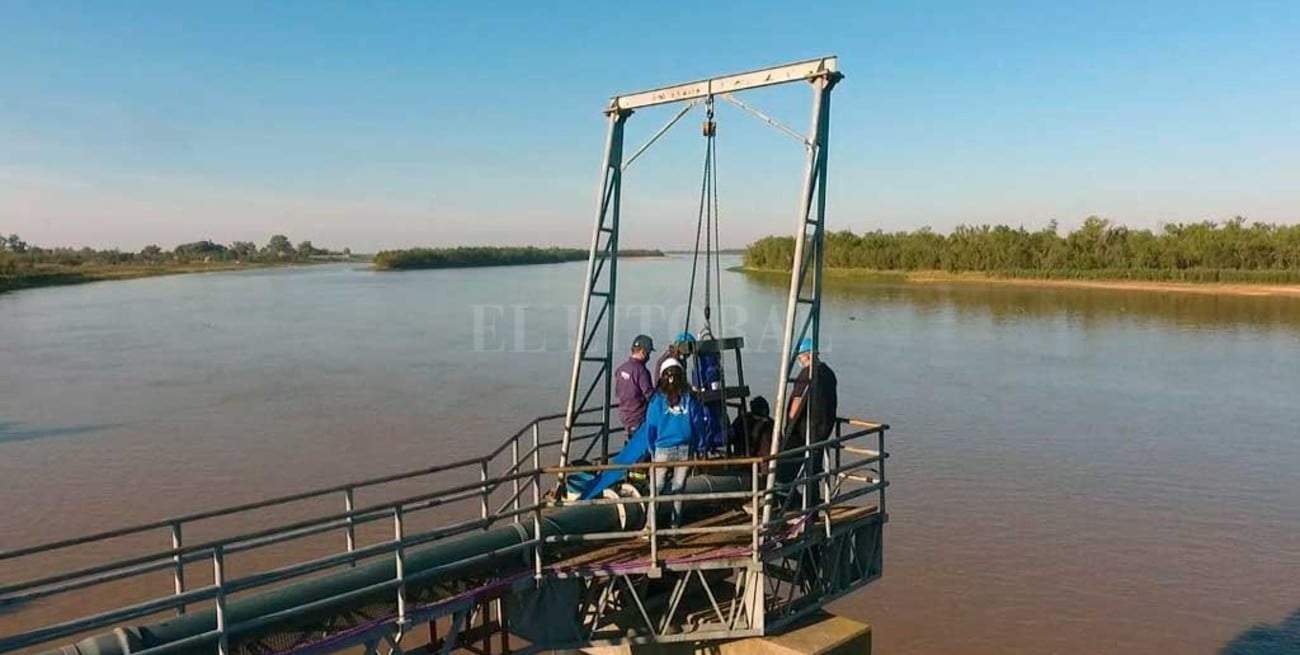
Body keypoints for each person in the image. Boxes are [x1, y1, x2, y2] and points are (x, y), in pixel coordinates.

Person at [641, 357, 707, 528]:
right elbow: (698, 424)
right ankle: (674, 525)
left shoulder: (657, 401)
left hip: (662, 449)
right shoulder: (689, 399)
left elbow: (651, 427)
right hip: (685, 449)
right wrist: (701, 447)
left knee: (657, 488)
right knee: (679, 488)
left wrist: (652, 448)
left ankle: (650, 526)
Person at [777, 337, 838, 509]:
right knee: (814, 471)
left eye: (800, 358)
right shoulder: (829, 373)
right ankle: (812, 509)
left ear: (808, 356)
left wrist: (788, 427)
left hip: (805, 432)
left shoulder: (807, 374)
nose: (799, 361)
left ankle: (787, 506)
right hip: (823, 430)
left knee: (785, 470)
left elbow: (795, 405)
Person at [614, 334, 656, 438]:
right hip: (639, 418)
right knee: (641, 449)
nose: (649, 357)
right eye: (649, 353)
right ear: (643, 352)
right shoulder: (641, 371)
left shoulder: (620, 369)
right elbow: (650, 396)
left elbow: (618, 392)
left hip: (625, 417)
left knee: (630, 445)